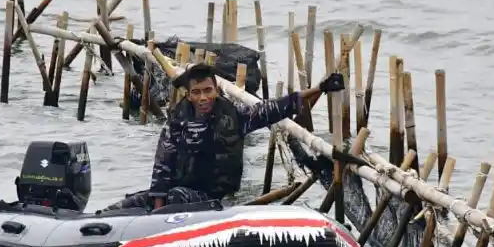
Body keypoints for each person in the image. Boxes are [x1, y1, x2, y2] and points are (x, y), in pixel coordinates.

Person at [107, 62, 345, 211]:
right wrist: (158, 212)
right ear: (189, 95)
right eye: (196, 92)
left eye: (207, 91)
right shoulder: (176, 122)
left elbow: (275, 108)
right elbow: (162, 166)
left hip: (213, 198)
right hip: (177, 192)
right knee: (129, 204)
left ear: (216, 91)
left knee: (176, 197)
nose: (203, 98)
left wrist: (320, 88)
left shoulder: (234, 117)